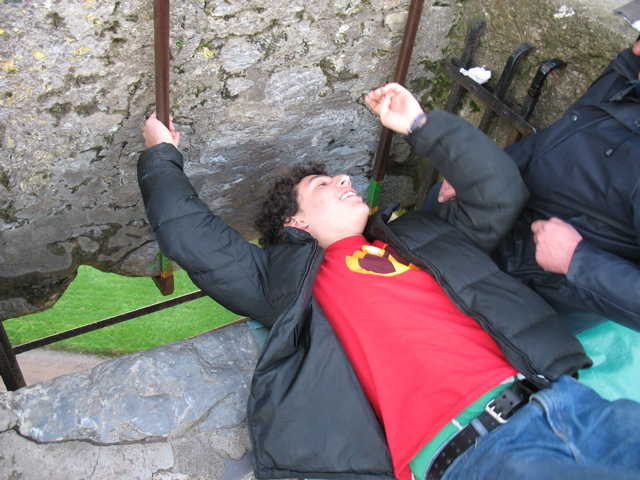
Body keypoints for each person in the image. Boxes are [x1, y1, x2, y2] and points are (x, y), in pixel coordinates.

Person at [138, 83, 640, 480]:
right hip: (478, 450)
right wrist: (162, 154)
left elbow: (498, 190)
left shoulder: (422, 236)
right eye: (323, 185)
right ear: (297, 223)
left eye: (340, 178)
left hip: (568, 403)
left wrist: (419, 124)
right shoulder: (284, 284)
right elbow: (190, 236)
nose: (345, 182)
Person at [427, 29, 640, 333]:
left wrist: (576, 260)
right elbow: (553, 144)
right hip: (498, 226)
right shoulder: (625, 78)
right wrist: (479, 174)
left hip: (540, 285)